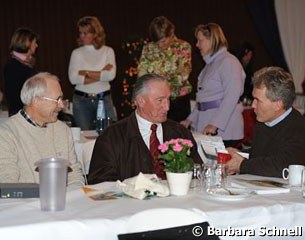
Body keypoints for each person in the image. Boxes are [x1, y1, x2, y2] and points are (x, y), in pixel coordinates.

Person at [88, 73, 202, 184]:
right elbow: (100, 182)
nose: (167, 107)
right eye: (160, 100)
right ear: (141, 101)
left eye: (168, 99)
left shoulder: (180, 133)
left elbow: (198, 174)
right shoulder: (112, 136)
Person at [0, 72, 84, 186]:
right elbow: (7, 184)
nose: (62, 106)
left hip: (64, 200)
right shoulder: (6, 134)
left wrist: (75, 196)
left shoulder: (62, 130)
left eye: (61, 99)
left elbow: (74, 174)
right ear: (37, 101)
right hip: (25, 202)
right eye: (57, 100)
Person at [226, 67, 305, 177]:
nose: (253, 105)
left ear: (278, 105)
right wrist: (238, 155)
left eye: (258, 100)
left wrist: (242, 165)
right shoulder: (264, 120)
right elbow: (264, 155)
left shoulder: (298, 128)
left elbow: (285, 166)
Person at [181, 23, 245, 147]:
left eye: (200, 40)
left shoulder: (229, 62)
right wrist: (190, 119)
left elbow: (232, 96)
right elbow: (202, 100)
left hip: (224, 130)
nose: (197, 44)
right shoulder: (210, 66)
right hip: (209, 127)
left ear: (212, 40)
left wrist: (215, 124)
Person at [137, 16, 192, 122]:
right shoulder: (148, 48)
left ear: (171, 33)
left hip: (177, 101)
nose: (159, 45)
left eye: (163, 41)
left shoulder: (183, 47)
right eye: (157, 42)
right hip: (154, 101)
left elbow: (183, 76)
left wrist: (157, 84)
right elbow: (142, 75)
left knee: (178, 136)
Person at [68, 16, 117, 130]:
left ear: (95, 33)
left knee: (108, 135)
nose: (82, 36)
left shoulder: (108, 51)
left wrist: (84, 72)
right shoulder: (77, 53)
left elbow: (110, 75)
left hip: (104, 98)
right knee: (84, 137)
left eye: (85, 33)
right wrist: (101, 74)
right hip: (81, 101)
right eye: (80, 33)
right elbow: (73, 79)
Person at [3, 28, 39, 116]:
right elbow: (14, 96)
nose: (36, 45)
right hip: (21, 114)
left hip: (27, 112)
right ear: (27, 43)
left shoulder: (25, 64)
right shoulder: (13, 66)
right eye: (35, 42)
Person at [231, 41, 254, 105]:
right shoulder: (234, 65)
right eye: (246, 56)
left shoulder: (248, 68)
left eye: (250, 56)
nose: (248, 58)